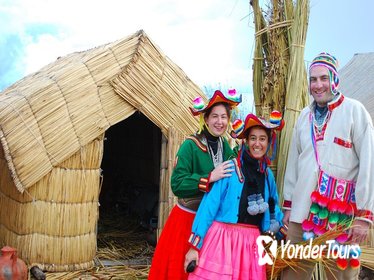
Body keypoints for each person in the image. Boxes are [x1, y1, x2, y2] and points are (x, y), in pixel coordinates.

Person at [282, 52, 374, 279]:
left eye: (324, 78)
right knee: (292, 273)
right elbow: (294, 163)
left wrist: (364, 216)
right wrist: (288, 205)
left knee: (342, 276)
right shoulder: (304, 117)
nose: (318, 85)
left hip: (341, 216)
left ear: (334, 79)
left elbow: (369, 164)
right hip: (302, 213)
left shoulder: (355, 111)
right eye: (313, 79)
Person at [148, 89, 242, 280]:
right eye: (214, 116)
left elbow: (237, 173)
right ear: (205, 119)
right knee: (182, 271)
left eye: (224, 117)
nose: (219, 121)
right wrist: (209, 177)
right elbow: (177, 184)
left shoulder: (225, 146)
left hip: (212, 224)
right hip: (187, 221)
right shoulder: (190, 146)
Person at [184, 111, 285, 280]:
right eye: (253, 138)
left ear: (269, 142)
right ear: (245, 141)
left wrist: (286, 231)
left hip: (251, 244)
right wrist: (194, 246)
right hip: (222, 241)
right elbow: (208, 207)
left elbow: (274, 207)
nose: (257, 144)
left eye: (262, 139)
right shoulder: (229, 169)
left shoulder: (267, 176)